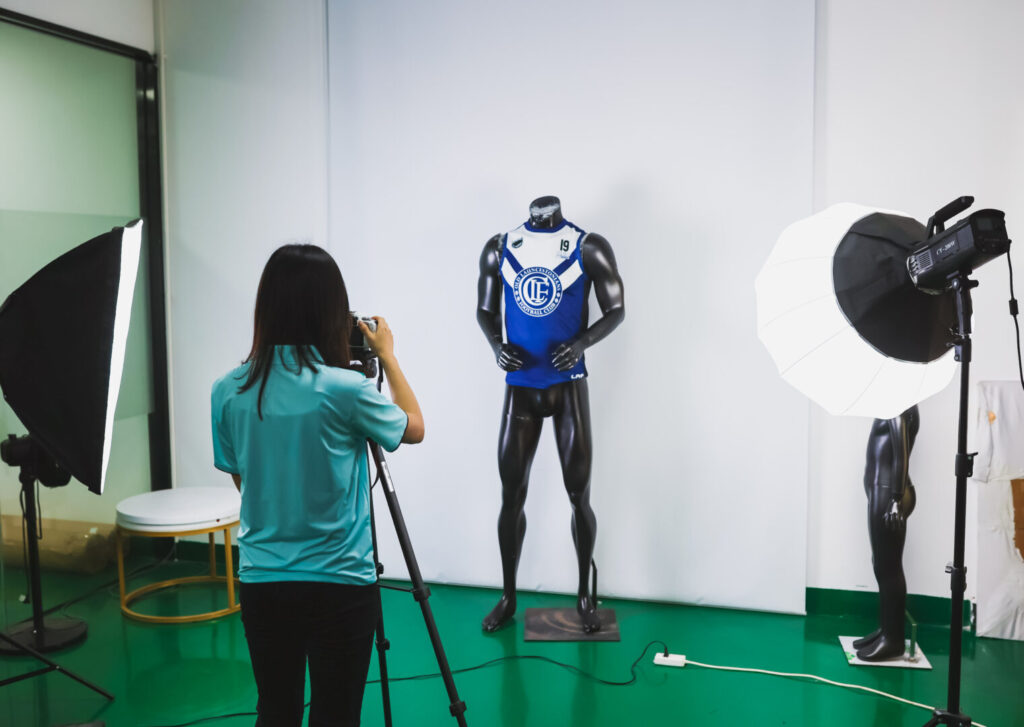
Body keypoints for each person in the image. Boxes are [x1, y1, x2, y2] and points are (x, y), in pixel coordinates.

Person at [210, 244, 423, 727]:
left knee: (277, 710)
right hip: (340, 583)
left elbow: (245, 481)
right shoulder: (346, 389)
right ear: (331, 311)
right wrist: (387, 357)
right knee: (336, 714)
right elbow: (413, 427)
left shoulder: (227, 389)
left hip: (264, 580)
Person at [476, 196, 625, 633]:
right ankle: (507, 596)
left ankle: (583, 595)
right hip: (520, 389)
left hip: (568, 387)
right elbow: (485, 310)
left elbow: (617, 309)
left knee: (579, 496)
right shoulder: (501, 247)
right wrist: (496, 345)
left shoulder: (587, 246)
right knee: (511, 495)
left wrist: (580, 345)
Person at [854, 405, 918, 661]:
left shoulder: (899, 400)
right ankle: (886, 630)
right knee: (881, 563)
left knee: (888, 566)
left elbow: (901, 453)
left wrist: (894, 498)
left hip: (889, 491)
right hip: (883, 489)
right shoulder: (895, 398)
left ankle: (893, 641)